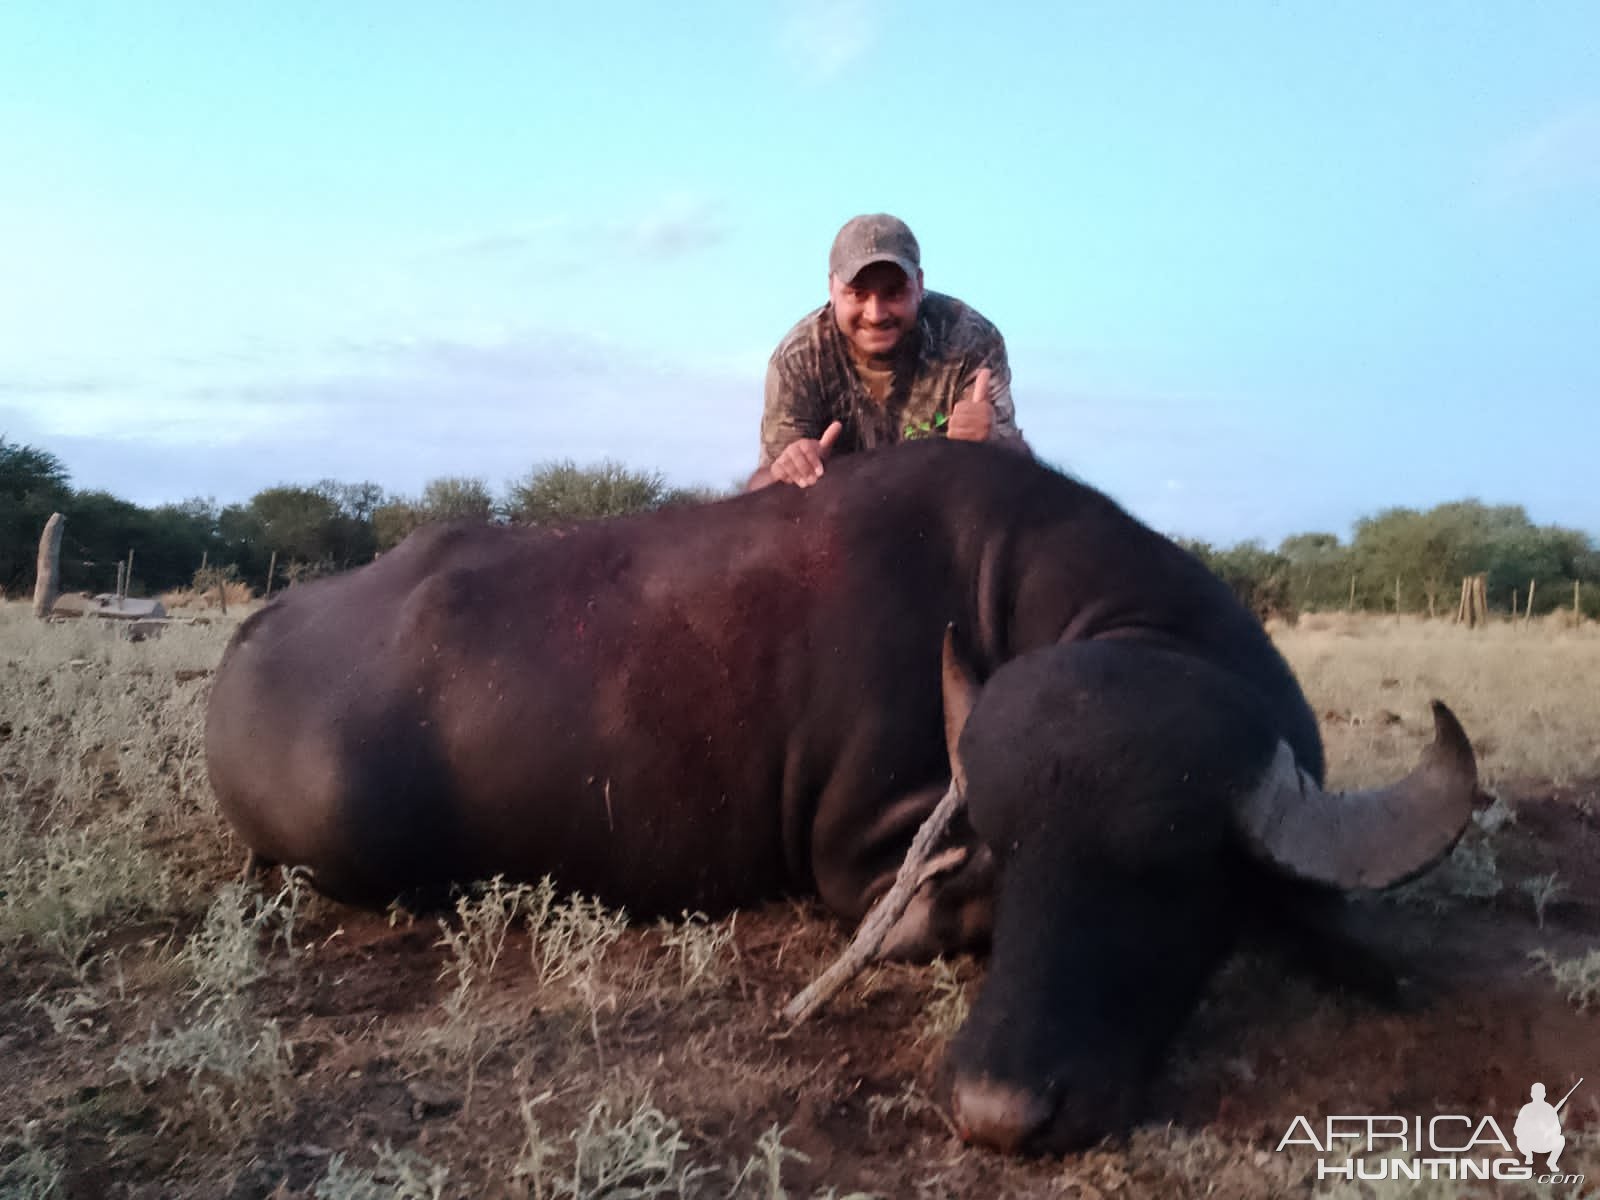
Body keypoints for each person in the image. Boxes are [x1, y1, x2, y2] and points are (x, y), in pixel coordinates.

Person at [747, 213, 1028, 490]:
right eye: (858, 294)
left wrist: (993, 444)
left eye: (894, 293)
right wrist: (786, 470)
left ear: (919, 285)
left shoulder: (970, 340)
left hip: (941, 519)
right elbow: (759, 489)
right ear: (831, 288)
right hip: (840, 523)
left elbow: (1023, 469)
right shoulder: (798, 358)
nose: (875, 314)